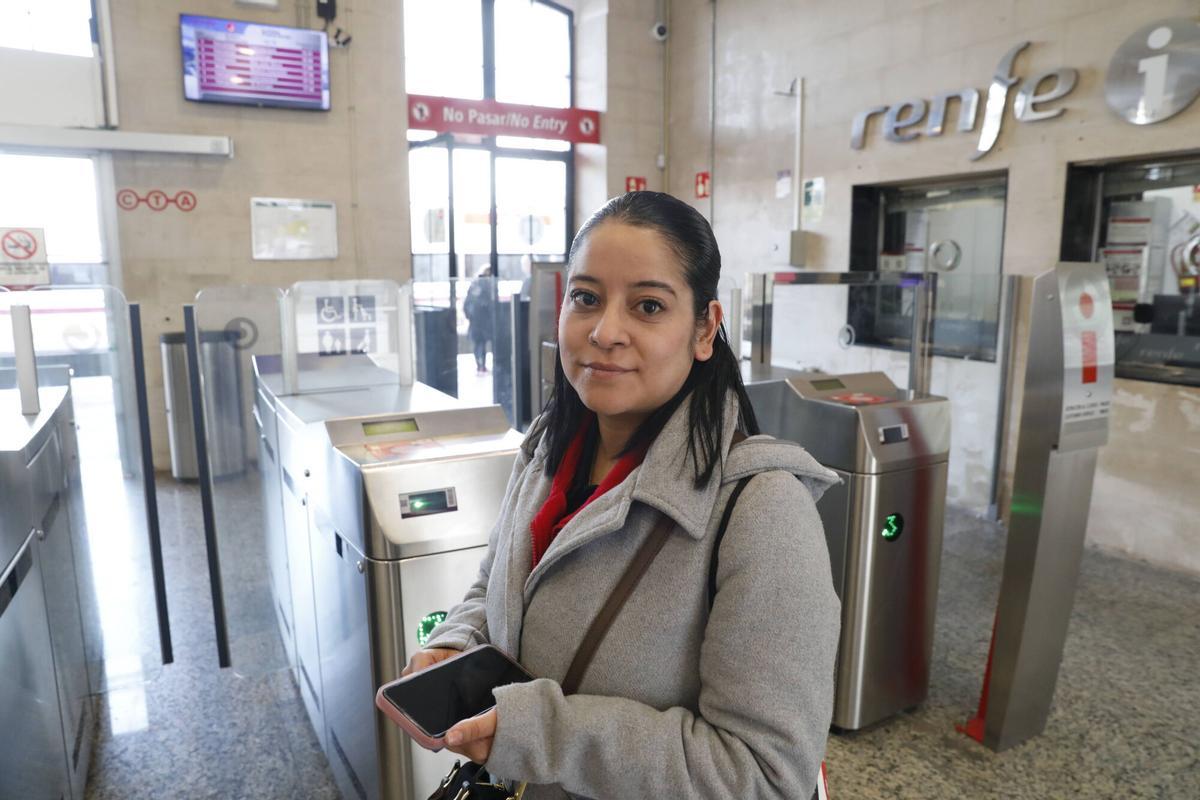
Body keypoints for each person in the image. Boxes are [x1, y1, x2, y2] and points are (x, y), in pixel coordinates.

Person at [406, 191, 841, 799]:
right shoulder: (547, 449)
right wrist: (458, 644)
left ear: (704, 329)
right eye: (586, 298)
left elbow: (765, 775)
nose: (605, 331)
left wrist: (541, 733)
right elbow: (494, 584)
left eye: (648, 305)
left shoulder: (761, 510)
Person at [465, 266, 496, 373]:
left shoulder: (475, 285)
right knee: (480, 344)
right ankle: (481, 365)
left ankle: (480, 365)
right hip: (481, 321)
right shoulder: (485, 285)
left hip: (478, 321)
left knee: (479, 344)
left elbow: (467, 304)